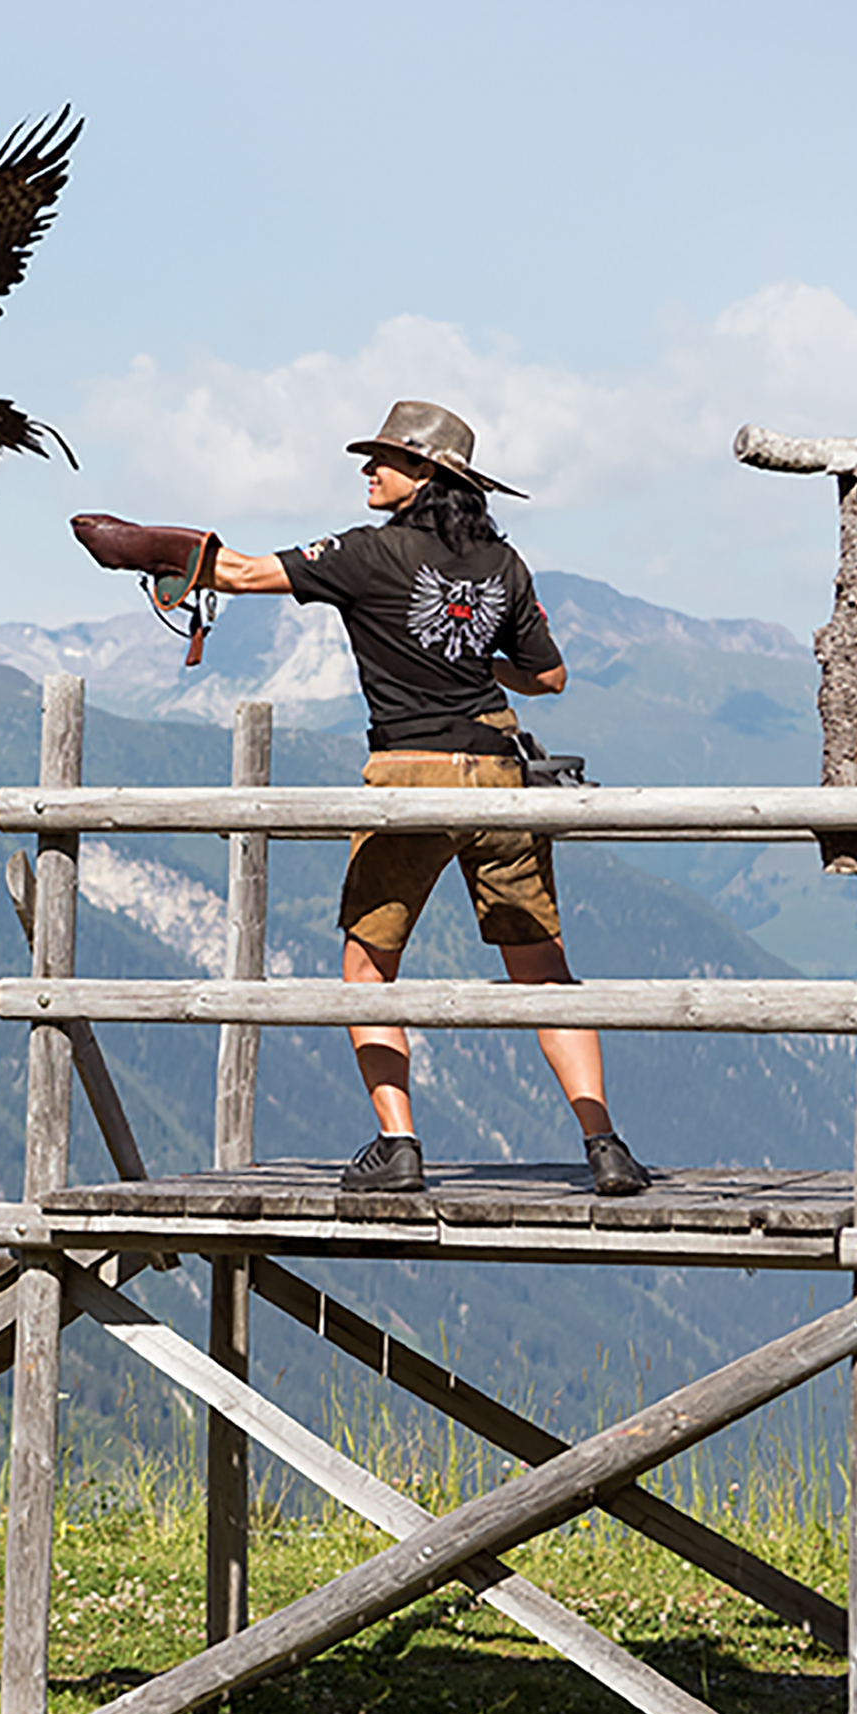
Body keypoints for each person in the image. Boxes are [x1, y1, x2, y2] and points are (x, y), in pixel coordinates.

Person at [204, 399, 649, 1200]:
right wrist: (479, 668)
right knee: (543, 972)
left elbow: (236, 572)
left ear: (426, 474)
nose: (366, 469)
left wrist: (161, 554)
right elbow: (548, 677)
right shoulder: (502, 564)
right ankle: (605, 1146)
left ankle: (397, 1144)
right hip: (497, 772)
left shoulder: (362, 553)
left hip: (407, 775)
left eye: (385, 458)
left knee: (368, 963)